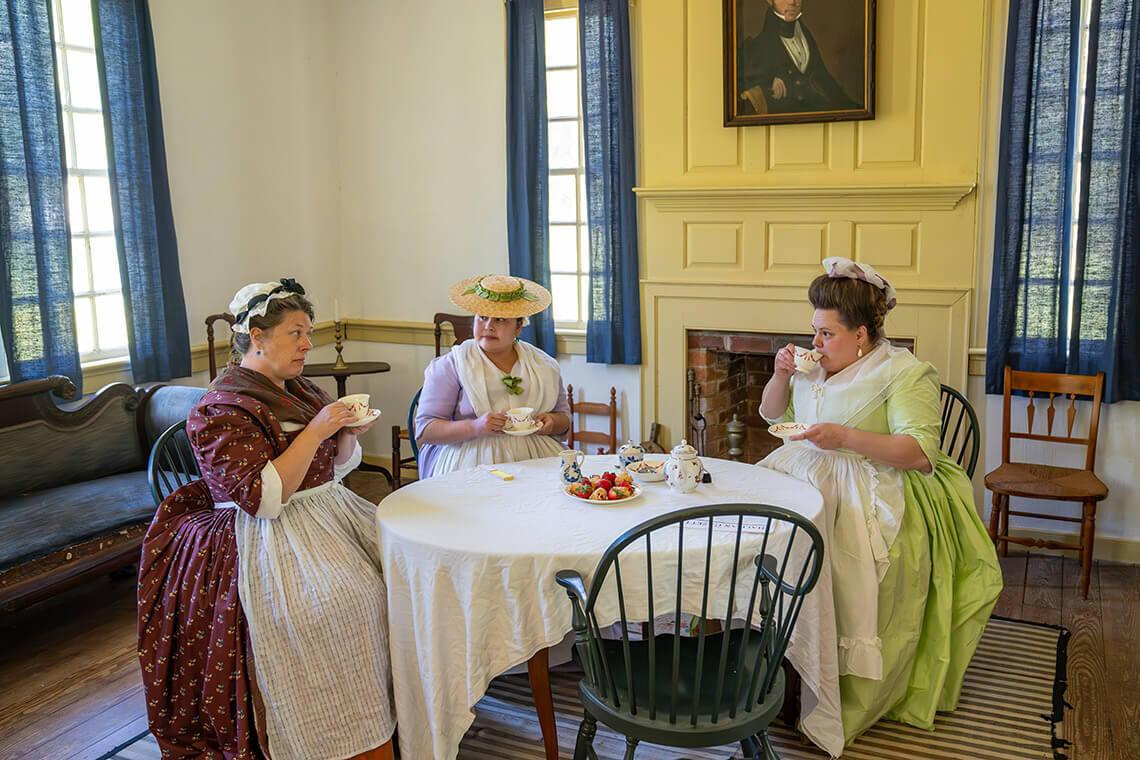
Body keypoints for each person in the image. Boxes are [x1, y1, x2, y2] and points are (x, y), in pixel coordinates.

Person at [137, 279, 395, 760]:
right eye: (296, 332)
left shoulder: (297, 387)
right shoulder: (221, 407)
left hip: (321, 512)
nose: (307, 343)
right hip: (261, 531)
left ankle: (381, 717)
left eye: (309, 332)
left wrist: (343, 433)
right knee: (337, 605)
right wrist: (320, 427)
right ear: (257, 335)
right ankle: (328, 733)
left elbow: (331, 470)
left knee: (394, 575)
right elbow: (261, 498)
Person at [758, 257, 1002, 744]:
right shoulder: (814, 365)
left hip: (876, 485)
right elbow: (770, 414)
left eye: (827, 334)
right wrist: (783, 375)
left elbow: (919, 453)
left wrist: (845, 437)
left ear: (863, 335)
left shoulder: (906, 373)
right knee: (765, 551)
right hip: (803, 473)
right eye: (814, 331)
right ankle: (781, 676)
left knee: (844, 568)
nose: (815, 344)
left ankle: (845, 695)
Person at [415, 274, 571, 478]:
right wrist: (475, 426)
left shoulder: (544, 365)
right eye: (482, 317)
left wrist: (551, 421)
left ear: (519, 326)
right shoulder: (452, 365)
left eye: (500, 320)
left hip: (537, 458)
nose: (488, 326)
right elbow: (426, 430)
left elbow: (564, 420)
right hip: (469, 460)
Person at [737, 0, 860, 115]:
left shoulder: (804, 34)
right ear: (770, 1)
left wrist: (854, 108)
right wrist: (768, 82)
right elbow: (736, 84)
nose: (792, 2)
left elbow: (823, 77)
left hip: (814, 113)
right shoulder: (756, 45)